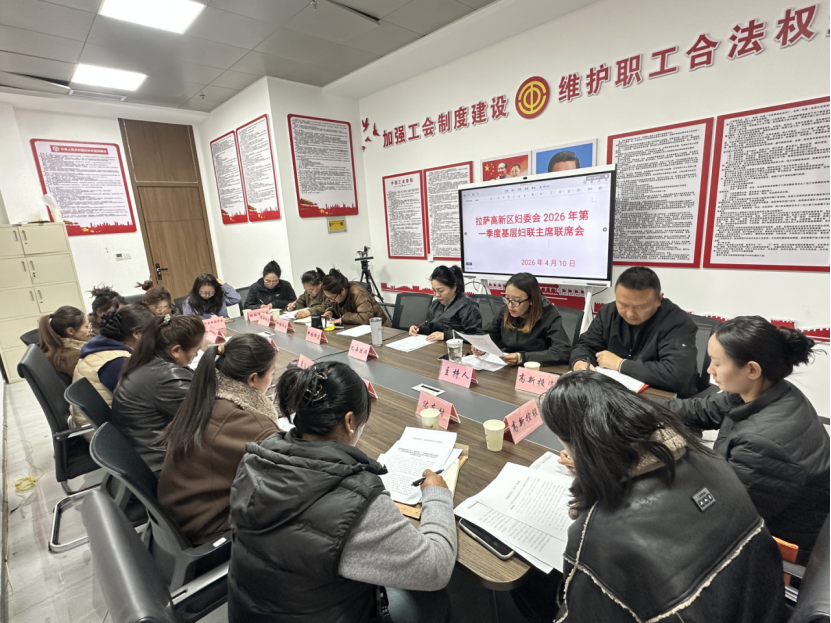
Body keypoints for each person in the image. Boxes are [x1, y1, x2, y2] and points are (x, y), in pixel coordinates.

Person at [515, 371, 784, 623]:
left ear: (576, 443)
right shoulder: (707, 457)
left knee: (523, 591)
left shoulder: (599, 534)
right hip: (760, 607)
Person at [228, 361, 456, 623]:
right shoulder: (355, 499)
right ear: (349, 422)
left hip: (251, 611)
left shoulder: (257, 457)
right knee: (434, 602)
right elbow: (436, 568)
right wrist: (437, 496)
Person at [666, 316, 830, 560]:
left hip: (777, 545)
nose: (710, 370)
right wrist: (635, 405)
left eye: (717, 363)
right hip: (745, 498)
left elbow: (720, 513)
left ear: (752, 369)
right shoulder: (763, 390)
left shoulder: (763, 445)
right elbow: (700, 410)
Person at [158, 333, 278, 544]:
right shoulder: (250, 423)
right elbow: (285, 478)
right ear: (252, 379)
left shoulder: (205, 396)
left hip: (181, 515)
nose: (272, 380)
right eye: (272, 373)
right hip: (210, 531)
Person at [570, 266, 699, 397]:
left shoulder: (677, 323)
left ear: (659, 299)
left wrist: (620, 364)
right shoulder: (608, 313)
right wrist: (580, 362)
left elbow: (677, 375)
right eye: (623, 304)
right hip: (615, 395)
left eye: (640, 307)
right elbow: (585, 345)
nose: (630, 313)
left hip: (663, 400)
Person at [112, 315, 204, 471]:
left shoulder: (145, 361)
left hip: (144, 453)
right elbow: (211, 416)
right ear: (176, 350)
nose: (195, 355)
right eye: (195, 351)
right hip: (163, 465)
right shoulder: (167, 378)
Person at [72, 304, 154, 420]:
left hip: (105, 420)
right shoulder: (115, 362)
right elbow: (141, 399)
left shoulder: (102, 344)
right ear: (136, 334)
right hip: (104, 427)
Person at [473, 272, 571, 366]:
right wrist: (481, 345)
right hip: (505, 365)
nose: (510, 305)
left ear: (532, 300)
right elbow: (491, 333)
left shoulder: (549, 316)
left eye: (516, 300)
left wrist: (522, 357)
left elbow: (562, 351)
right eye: (507, 298)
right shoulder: (505, 310)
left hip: (535, 368)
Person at [408, 265, 482, 342]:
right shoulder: (435, 304)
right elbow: (429, 325)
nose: (437, 295)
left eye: (441, 291)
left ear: (454, 287)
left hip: (458, 347)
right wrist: (419, 329)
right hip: (437, 346)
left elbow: (476, 336)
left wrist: (445, 335)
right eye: (434, 290)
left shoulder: (468, 305)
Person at [38, 305, 90, 385]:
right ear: (71, 331)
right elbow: (92, 380)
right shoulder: (73, 356)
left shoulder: (57, 347)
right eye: (86, 326)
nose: (89, 329)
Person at [321, 268, 391, 327]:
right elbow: (340, 308)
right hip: (356, 329)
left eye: (332, 298)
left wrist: (343, 319)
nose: (331, 300)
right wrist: (330, 312)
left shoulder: (358, 293)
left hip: (380, 328)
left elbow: (365, 318)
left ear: (342, 290)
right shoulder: (337, 295)